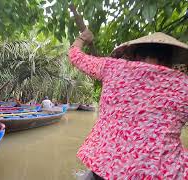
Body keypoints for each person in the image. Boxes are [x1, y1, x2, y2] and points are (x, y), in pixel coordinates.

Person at [69, 29, 188, 179]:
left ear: (135, 55)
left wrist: (82, 38)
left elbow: (75, 56)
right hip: (160, 173)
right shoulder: (184, 84)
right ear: (170, 59)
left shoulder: (113, 68)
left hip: (105, 165)